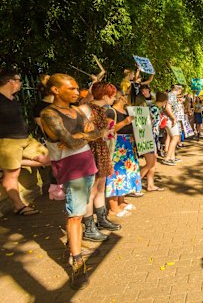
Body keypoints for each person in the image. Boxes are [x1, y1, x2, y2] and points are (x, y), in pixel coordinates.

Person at [41, 73, 105, 289]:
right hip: (71, 168)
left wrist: (78, 137)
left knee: (81, 207)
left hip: (86, 164)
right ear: (56, 90)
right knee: (75, 214)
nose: (77, 92)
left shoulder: (76, 110)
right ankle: (77, 262)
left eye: (78, 88)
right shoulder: (49, 114)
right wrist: (78, 137)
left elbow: (98, 132)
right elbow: (68, 141)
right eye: (72, 89)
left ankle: (73, 244)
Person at [0, 70, 50, 215]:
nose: (21, 83)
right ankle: (19, 206)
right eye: (19, 80)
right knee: (12, 176)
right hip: (7, 141)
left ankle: (14, 162)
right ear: (11, 81)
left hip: (25, 138)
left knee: (48, 158)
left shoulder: (13, 99)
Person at [82, 82, 122, 241]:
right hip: (91, 150)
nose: (114, 98)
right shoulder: (86, 109)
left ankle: (102, 219)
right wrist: (102, 132)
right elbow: (83, 132)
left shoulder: (103, 110)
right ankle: (89, 226)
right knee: (90, 191)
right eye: (112, 95)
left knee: (100, 187)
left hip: (101, 149)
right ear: (105, 95)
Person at [105, 91, 142, 216]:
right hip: (117, 145)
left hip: (128, 144)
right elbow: (109, 129)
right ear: (121, 97)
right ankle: (113, 206)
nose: (127, 98)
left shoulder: (126, 111)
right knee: (116, 173)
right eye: (126, 95)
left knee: (125, 173)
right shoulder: (111, 112)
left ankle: (121, 201)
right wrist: (125, 122)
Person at [162, 85, 182, 165]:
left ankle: (172, 157)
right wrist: (173, 118)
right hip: (170, 120)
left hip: (168, 119)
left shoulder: (169, 95)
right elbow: (168, 107)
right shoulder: (172, 96)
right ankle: (167, 158)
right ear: (179, 90)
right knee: (175, 137)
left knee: (172, 137)